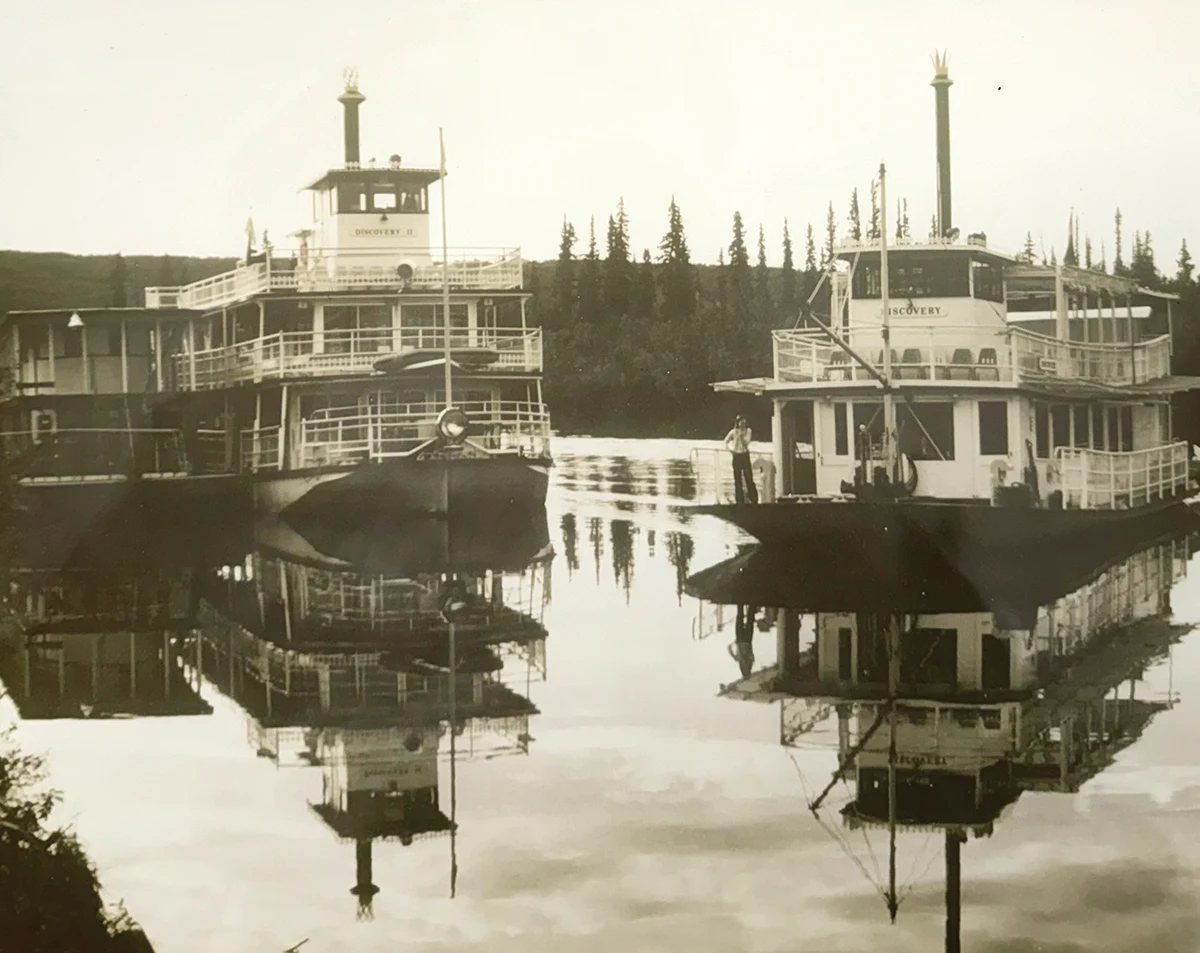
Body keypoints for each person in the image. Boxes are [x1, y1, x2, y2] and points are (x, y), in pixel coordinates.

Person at [724, 416, 758, 504]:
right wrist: (730, 450)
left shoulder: (748, 431)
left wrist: (741, 436)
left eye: (744, 423)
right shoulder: (733, 432)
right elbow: (725, 441)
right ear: (737, 423)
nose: (743, 425)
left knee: (748, 477)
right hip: (737, 455)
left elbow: (747, 442)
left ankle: (753, 498)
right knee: (737, 478)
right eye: (741, 423)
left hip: (744, 455)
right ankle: (739, 500)